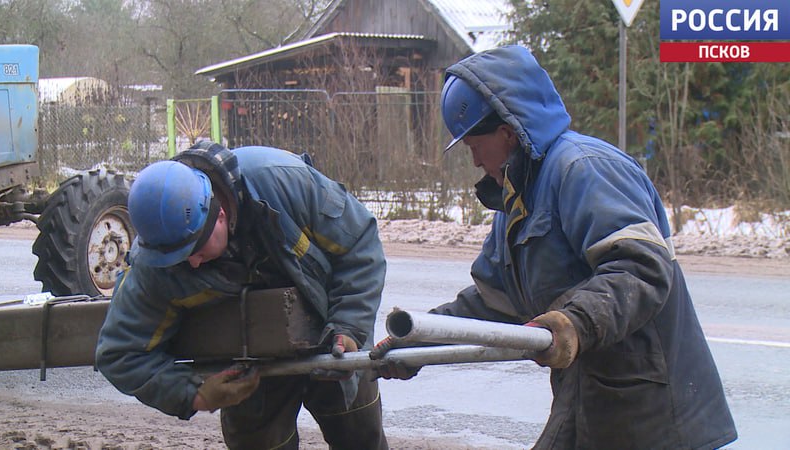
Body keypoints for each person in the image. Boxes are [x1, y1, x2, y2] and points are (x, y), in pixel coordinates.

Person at [373, 45, 737, 449]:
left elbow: (640, 268)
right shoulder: (520, 199)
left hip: (650, 407)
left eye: (475, 146)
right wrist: (419, 342)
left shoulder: (584, 168)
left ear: (508, 132)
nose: (474, 161)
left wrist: (574, 322)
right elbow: (496, 303)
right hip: (588, 394)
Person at [96, 141, 388, 450]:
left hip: (335, 339)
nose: (191, 263)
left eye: (194, 249)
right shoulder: (156, 260)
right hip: (249, 373)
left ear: (219, 214)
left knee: (360, 435)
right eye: (177, 258)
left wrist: (349, 327)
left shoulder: (281, 182)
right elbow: (120, 354)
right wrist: (195, 392)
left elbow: (360, 245)